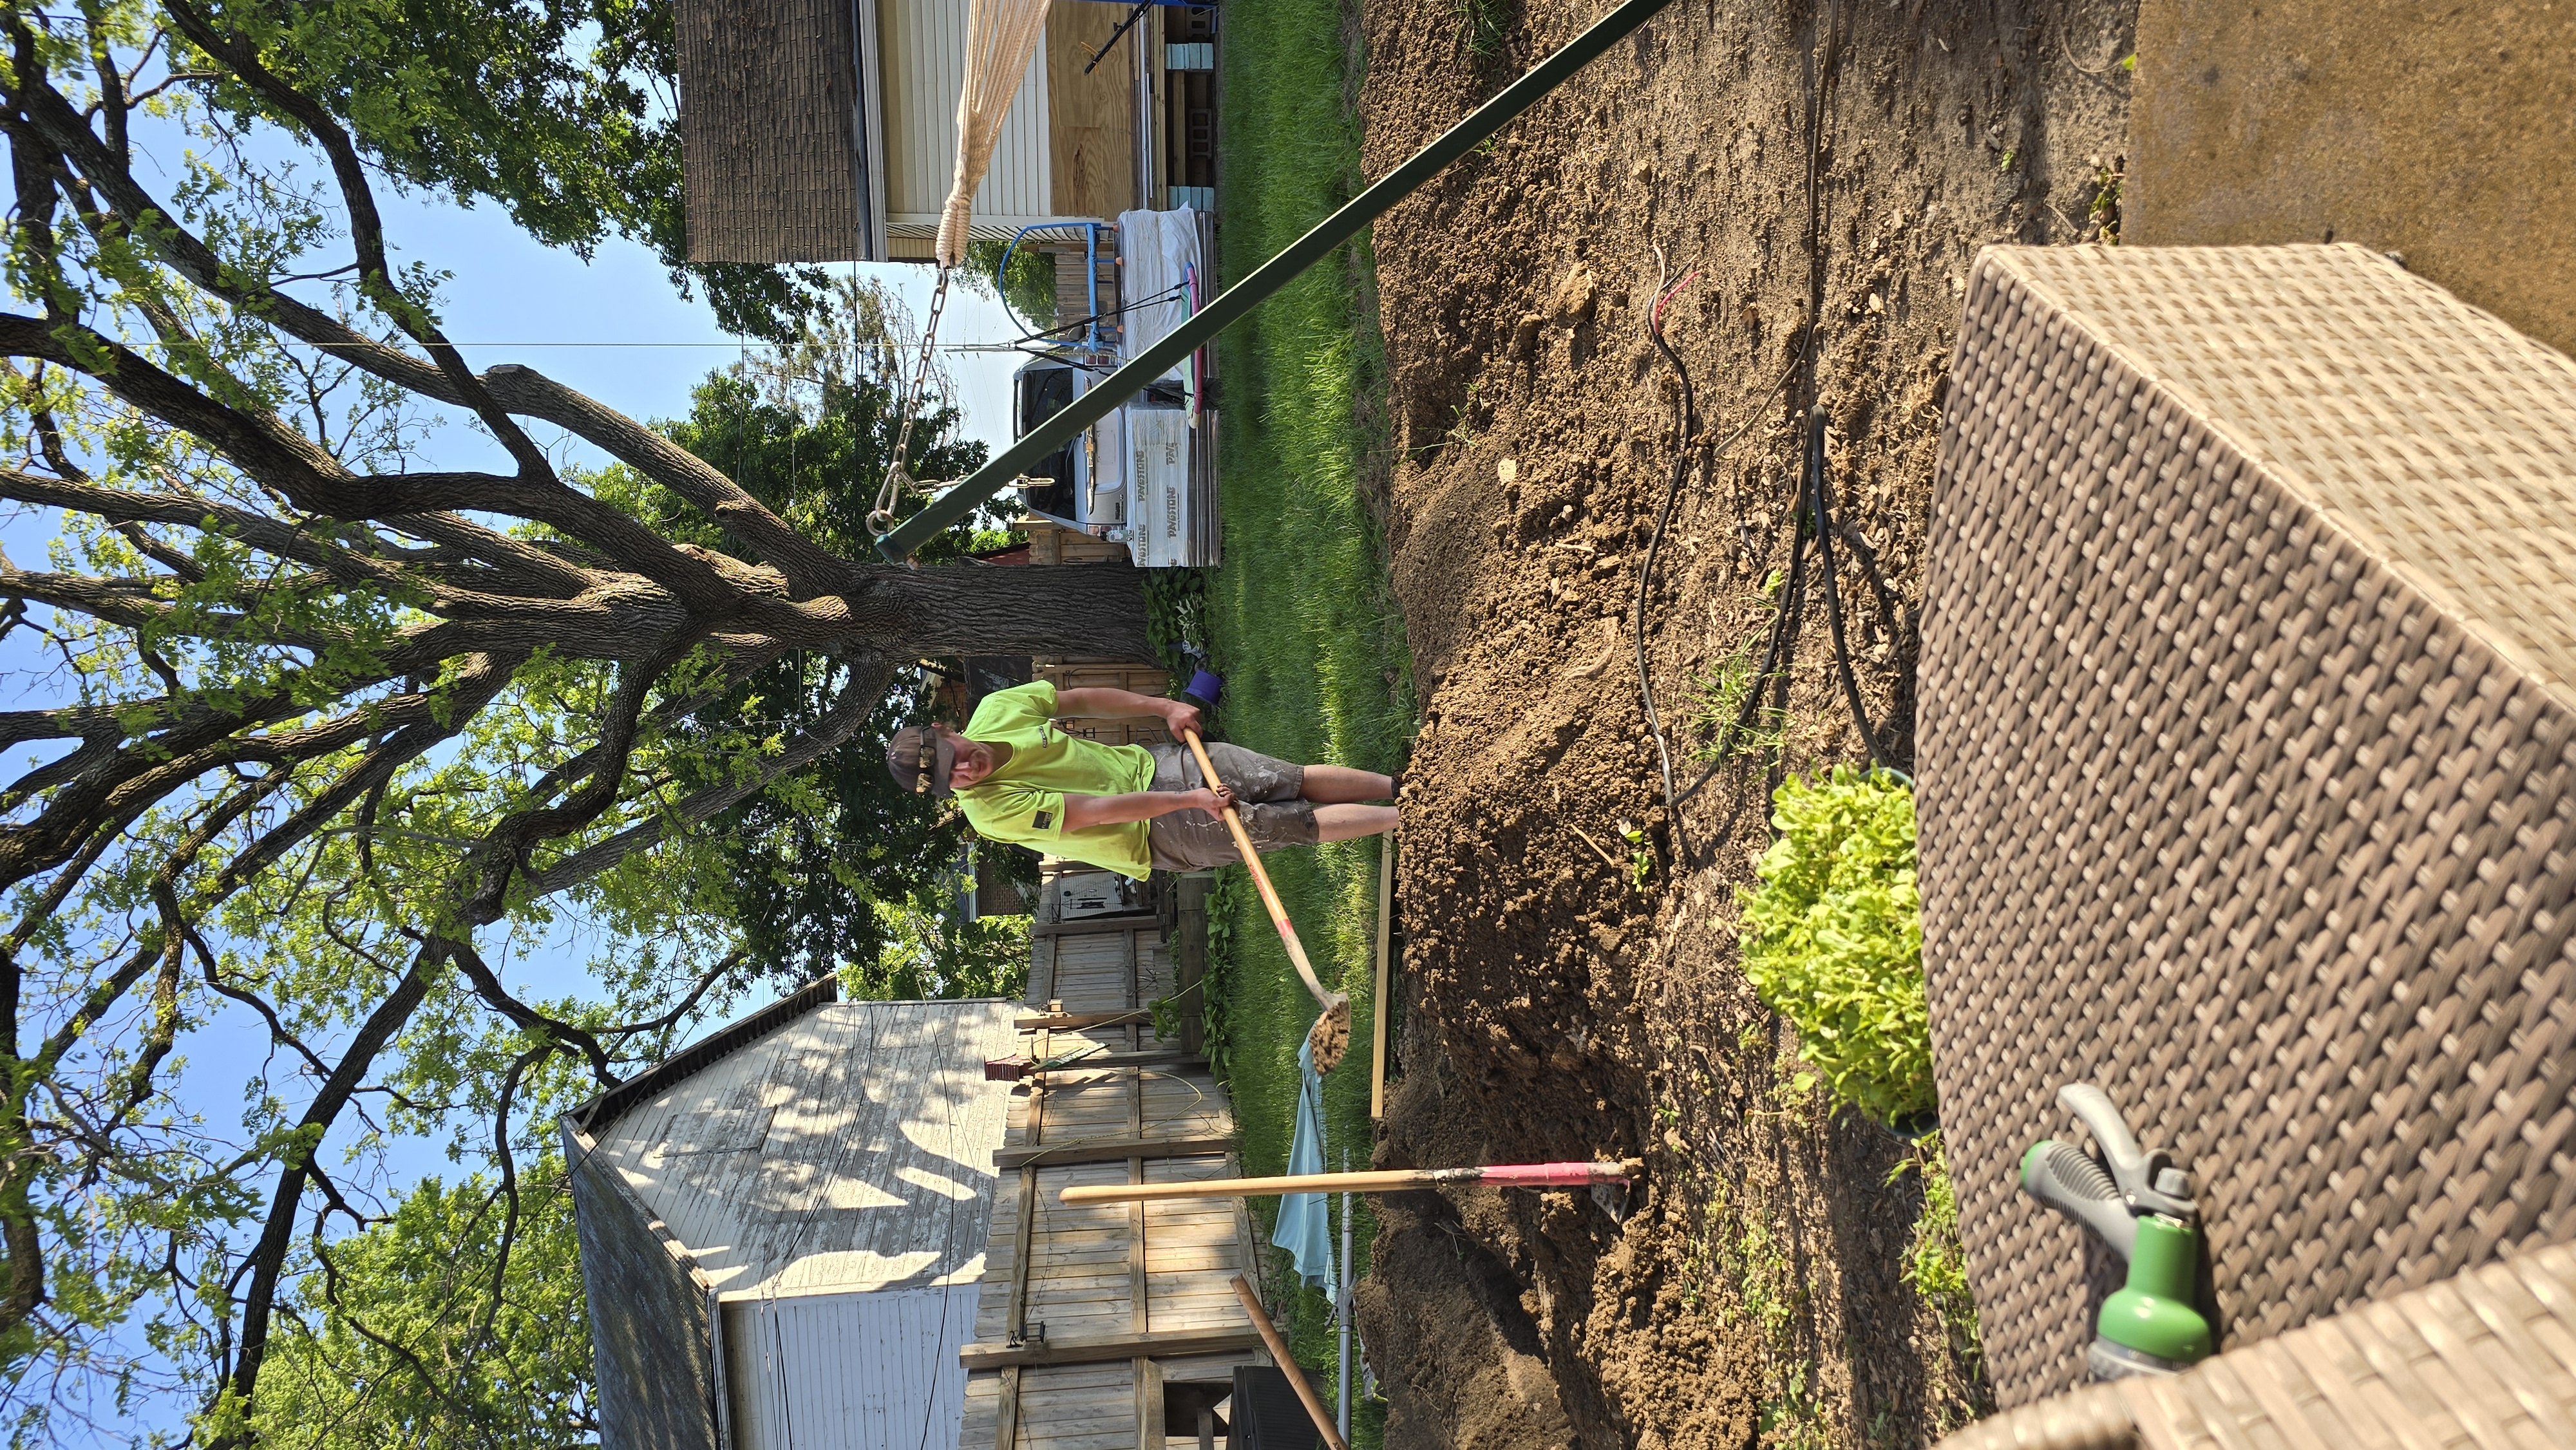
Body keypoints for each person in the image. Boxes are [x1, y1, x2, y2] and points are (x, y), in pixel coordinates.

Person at [884, 681, 1396, 880]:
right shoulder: (990, 812)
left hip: (1153, 765)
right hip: (1152, 832)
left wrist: (1164, 706)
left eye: (953, 758)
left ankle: (1402, 785)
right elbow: (1095, 812)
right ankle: (1408, 817)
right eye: (952, 781)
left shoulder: (999, 710)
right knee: (1292, 825)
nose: (966, 773)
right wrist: (1189, 800)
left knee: (1286, 778)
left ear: (944, 730)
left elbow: (1082, 699)